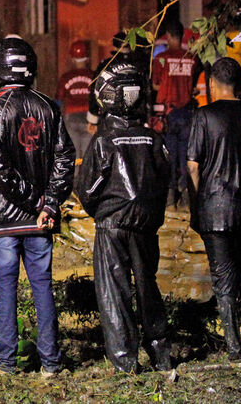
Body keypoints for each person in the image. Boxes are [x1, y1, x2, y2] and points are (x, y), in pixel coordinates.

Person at [0, 36, 76, 377]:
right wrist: (49, 204)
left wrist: (37, 202)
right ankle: (51, 364)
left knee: (6, 289)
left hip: (5, 219)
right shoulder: (49, 107)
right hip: (40, 221)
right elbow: (65, 157)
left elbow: (0, 168)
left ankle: (6, 362)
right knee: (42, 287)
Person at [76, 61, 172, 374]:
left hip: (113, 225)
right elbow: (163, 182)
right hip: (145, 224)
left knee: (113, 292)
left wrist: (103, 214)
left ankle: (124, 361)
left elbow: (87, 190)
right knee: (148, 287)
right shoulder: (152, 139)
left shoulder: (103, 142)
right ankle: (161, 353)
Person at [186, 57, 241, 363]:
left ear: (212, 84)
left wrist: (195, 208)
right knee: (236, 270)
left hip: (215, 206)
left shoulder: (203, 116)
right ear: (240, 84)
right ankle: (239, 330)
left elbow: (193, 166)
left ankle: (234, 347)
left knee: (223, 277)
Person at [151, 22, 199, 208]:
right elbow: (193, 85)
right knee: (185, 155)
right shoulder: (192, 58)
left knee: (169, 155)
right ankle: (187, 196)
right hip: (187, 112)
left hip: (168, 113)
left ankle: (170, 197)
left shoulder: (162, 58)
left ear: (170, 37)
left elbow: (155, 85)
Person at [55, 40, 94, 158]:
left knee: (75, 155)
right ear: (87, 58)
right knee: (87, 154)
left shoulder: (66, 78)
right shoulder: (93, 76)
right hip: (89, 119)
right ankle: (86, 176)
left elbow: (58, 100)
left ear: (72, 59)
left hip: (71, 117)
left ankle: (76, 176)